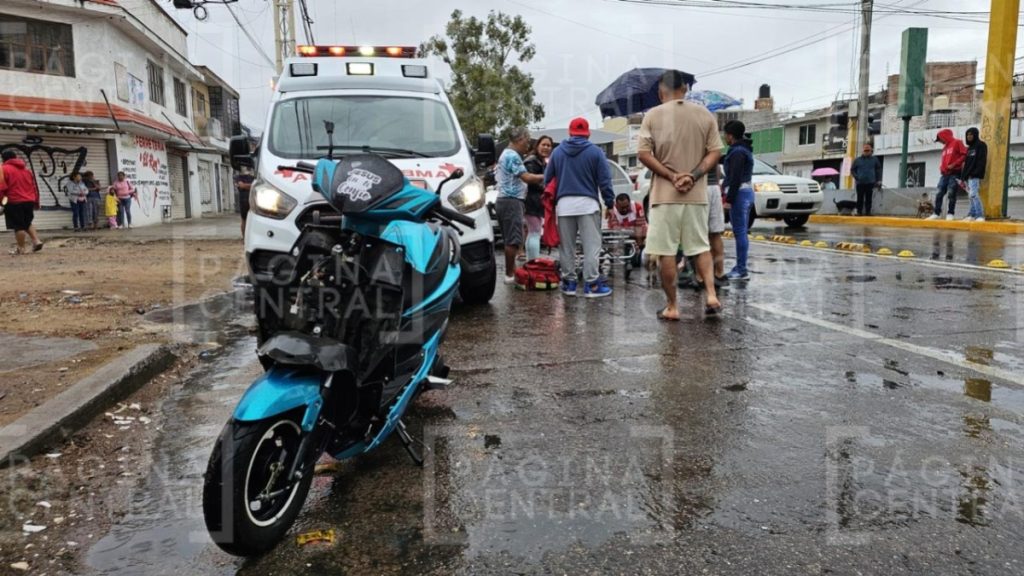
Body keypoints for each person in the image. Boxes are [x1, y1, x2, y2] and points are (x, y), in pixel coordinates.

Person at [638, 69, 723, 318]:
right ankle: (710, 294)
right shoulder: (705, 115)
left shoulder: (652, 116)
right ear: (685, 89)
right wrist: (694, 175)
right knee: (700, 246)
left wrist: (672, 176)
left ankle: (673, 306)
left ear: (660, 91)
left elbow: (644, 155)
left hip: (665, 196)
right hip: (696, 195)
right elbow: (715, 152)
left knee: (666, 251)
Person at [544, 117, 616, 298]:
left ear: (570, 132)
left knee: (567, 247)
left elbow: (547, 179)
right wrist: (609, 202)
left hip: (564, 206)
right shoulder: (596, 152)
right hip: (587, 205)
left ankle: (569, 284)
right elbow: (604, 181)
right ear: (588, 133)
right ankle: (592, 285)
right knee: (591, 246)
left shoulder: (558, 152)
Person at [495, 127, 544, 284]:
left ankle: (512, 272)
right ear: (520, 139)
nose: (527, 146)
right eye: (527, 142)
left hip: (506, 200)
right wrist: (547, 175)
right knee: (513, 240)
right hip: (511, 200)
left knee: (511, 238)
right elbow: (527, 177)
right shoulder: (512, 156)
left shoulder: (506, 154)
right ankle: (510, 275)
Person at [721, 120, 755, 281]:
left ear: (730, 135)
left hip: (739, 194)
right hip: (745, 192)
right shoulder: (740, 150)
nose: (724, 137)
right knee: (741, 231)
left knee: (740, 232)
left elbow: (735, 178)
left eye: (725, 134)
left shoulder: (737, 153)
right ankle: (740, 267)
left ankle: (741, 269)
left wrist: (729, 199)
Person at [1, 149, 44, 254]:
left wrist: (2, 202)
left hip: (14, 201)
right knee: (27, 222)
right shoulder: (27, 170)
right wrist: (36, 201)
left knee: (18, 225)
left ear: (3, 159)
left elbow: (1, 188)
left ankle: (21, 248)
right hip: (29, 200)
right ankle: (36, 241)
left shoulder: (3, 169)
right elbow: (34, 187)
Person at [523, 135, 553, 261]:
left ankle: (531, 261)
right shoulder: (532, 161)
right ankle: (534, 262)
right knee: (534, 233)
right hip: (531, 202)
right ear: (537, 145)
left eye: (548, 145)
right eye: (543, 144)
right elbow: (530, 181)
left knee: (533, 233)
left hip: (534, 202)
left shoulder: (541, 161)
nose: (546, 147)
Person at [928, 129, 967, 221]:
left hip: (955, 173)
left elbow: (964, 155)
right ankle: (936, 213)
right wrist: (941, 168)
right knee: (939, 193)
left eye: (940, 139)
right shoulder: (944, 148)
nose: (940, 141)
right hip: (945, 174)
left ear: (945, 136)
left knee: (951, 193)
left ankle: (950, 213)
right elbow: (944, 161)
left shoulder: (958, 142)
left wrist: (954, 164)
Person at [961, 127, 988, 222]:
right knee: (970, 196)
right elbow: (967, 163)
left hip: (975, 175)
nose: (969, 136)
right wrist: (963, 176)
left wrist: (975, 173)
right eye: (967, 135)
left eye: (971, 134)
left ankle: (980, 215)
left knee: (974, 194)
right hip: (968, 177)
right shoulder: (969, 148)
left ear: (975, 135)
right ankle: (971, 214)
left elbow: (982, 161)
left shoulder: (981, 145)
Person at [850, 143, 882, 216]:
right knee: (860, 198)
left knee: (869, 198)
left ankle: (868, 212)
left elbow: (878, 170)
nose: (866, 151)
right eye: (865, 150)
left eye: (868, 150)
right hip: (860, 183)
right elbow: (852, 170)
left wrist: (879, 180)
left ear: (871, 151)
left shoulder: (875, 159)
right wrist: (857, 177)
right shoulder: (857, 160)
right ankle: (859, 212)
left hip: (870, 182)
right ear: (863, 151)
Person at [235, 166, 254, 235]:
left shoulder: (253, 177)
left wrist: (246, 186)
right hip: (244, 201)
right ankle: (244, 238)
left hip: (253, 200)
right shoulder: (239, 177)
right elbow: (241, 186)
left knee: (253, 220)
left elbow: (256, 186)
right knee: (244, 220)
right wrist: (251, 186)